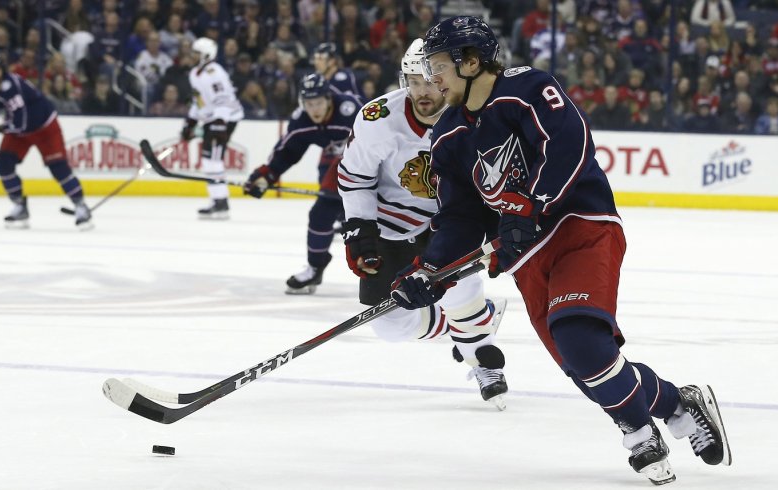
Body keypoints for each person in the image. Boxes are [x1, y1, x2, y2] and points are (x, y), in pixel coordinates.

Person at [392, 16, 732, 484]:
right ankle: (672, 407)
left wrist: (532, 203)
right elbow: (460, 217)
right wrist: (428, 270)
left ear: (471, 62)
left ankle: (637, 426)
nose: (433, 79)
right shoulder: (448, 134)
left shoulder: (527, 88)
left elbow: (569, 143)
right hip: (526, 255)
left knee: (580, 341)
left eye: (439, 67)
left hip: (580, 227)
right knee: (579, 363)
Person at [338, 39, 508, 408]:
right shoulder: (380, 118)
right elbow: (355, 179)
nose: (421, 92)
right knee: (389, 326)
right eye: (413, 81)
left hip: (447, 222)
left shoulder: (475, 116)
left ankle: (480, 353)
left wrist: (497, 226)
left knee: (462, 290)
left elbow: (492, 179)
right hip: (389, 226)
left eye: (429, 81)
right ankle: (476, 321)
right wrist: (360, 232)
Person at [243, 73, 361, 294]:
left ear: (328, 99)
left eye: (318, 103)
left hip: (369, 166)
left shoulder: (349, 109)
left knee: (369, 218)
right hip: (335, 161)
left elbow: (375, 144)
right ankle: (315, 267)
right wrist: (266, 175)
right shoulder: (302, 119)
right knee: (320, 214)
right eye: (309, 104)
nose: (314, 109)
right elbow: (287, 151)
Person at [0, 55, 92, 230]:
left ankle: (81, 206)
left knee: (59, 169)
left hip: (44, 128)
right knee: (4, 165)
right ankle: (19, 205)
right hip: (20, 130)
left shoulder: (10, 87)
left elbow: (21, 123)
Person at [181, 37, 244, 220]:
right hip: (213, 120)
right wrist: (190, 123)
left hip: (225, 119)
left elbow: (224, 99)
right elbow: (199, 102)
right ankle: (217, 200)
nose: (192, 56)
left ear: (206, 56)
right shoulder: (195, 74)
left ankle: (221, 202)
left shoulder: (215, 72)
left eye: (196, 53)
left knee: (214, 160)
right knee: (208, 159)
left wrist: (219, 123)